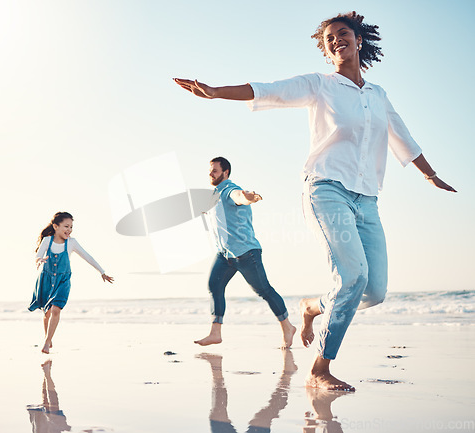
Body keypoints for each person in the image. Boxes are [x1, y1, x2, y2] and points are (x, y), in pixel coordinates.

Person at [174, 11, 456, 391]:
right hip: (325, 190)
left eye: (343, 34)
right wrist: (217, 91)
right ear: (326, 51)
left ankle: (311, 307)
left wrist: (430, 174)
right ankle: (320, 368)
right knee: (353, 276)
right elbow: (270, 88)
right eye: (329, 39)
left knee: (373, 292)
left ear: (359, 41)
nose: (336, 40)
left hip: (367, 198)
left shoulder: (378, 95)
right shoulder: (319, 85)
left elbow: (400, 134)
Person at [198, 157, 296, 349]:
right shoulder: (214, 196)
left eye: (215, 171)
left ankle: (287, 327)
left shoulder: (229, 191)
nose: (211, 174)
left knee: (264, 290)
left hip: (246, 253)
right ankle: (215, 333)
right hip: (225, 255)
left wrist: (248, 197)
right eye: (210, 170)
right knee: (214, 286)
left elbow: (239, 197)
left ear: (225, 173)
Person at [29, 211, 114, 353]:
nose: (69, 230)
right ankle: (47, 337)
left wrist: (102, 272)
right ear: (56, 226)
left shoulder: (71, 243)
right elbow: (37, 256)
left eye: (71, 227)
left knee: (56, 309)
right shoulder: (47, 240)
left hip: (63, 281)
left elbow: (88, 257)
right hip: (46, 279)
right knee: (47, 312)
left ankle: (47, 342)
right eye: (66, 226)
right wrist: (39, 260)